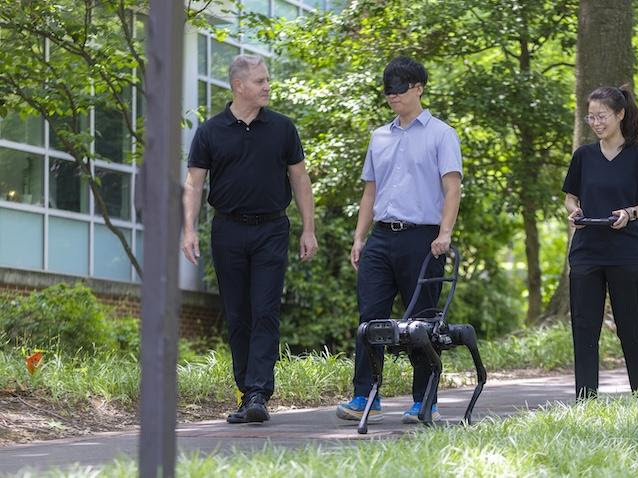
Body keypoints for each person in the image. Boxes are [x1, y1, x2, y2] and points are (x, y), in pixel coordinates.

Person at [182, 54, 318, 423]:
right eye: (260, 81)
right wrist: (189, 229)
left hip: (272, 229)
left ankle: (258, 392)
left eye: (267, 80)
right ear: (238, 86)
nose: (267, 86)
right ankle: (246, 392)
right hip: (227, 230)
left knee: (265, 310)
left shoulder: (283, 128)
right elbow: (194, 183)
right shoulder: (210, 131)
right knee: (238, 313)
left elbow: (300, 178)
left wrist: (308, 228)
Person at [335, 56, 462, 424]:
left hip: (423, 239)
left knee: (421, 322)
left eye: (400, 89)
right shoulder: (380, 136)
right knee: (369, 318)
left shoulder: (441, 134)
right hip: (380, 238)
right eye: (387, 90)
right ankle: (365, 396)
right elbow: (370, 191)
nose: (393, 95)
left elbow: (452, 188)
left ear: (418, 88)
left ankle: (424, 401)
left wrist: (445, 233)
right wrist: (359, 237)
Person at [562, 85, 638, 401]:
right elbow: (570, 197)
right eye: (591, 117)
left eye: (602, 116)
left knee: (630, 325)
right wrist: (574, 211)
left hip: (627, 253)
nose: (596, 123)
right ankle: (585, 398)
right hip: (587, 252)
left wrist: (629, 213)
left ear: (620, 114)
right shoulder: (583, 156)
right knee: (584, 326)